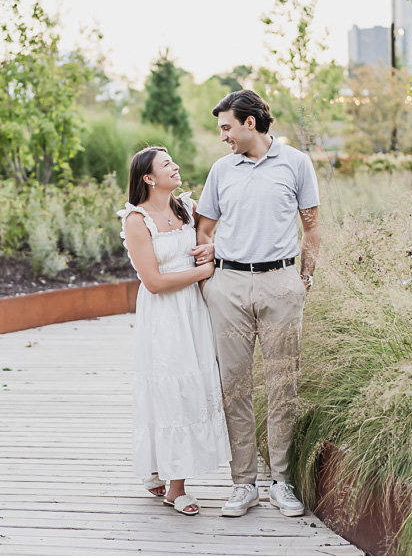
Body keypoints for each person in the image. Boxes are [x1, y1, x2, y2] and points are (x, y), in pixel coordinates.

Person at [193, 89, 321, 518]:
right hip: (228, 286)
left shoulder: (296, 163)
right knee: (235, 385)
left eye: (227, 127)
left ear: (250, 123)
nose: (223, 136)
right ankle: (243, 484)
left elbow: (312, 228)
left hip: (280, 283)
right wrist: (210, 281)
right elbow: (205, 228)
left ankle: (280, 482)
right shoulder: (221, 170)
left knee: (283, 384)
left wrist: (302, 279)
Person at [118, 146, 232, 516]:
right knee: (170, 391)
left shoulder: (185, 207)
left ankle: (168, 477)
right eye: (167, 164)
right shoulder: (137, 220)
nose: (176, 166)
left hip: (192, 312)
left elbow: (210, 242)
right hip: (164, 315)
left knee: (191, 389)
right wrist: (203, 272)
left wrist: (210, 253)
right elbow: (153, 281)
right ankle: (170, 480)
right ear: (149, 178)